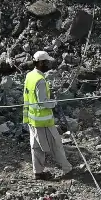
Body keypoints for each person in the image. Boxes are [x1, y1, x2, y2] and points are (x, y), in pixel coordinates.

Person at [24, 51, 70, 179]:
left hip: (32, 119)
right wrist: (54, 103)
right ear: (41, 62)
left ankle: (37, 172)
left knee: (36, 147)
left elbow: (29, 96)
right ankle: (67, 169)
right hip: (43, 121)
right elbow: (43, 102)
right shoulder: (40, 80)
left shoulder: (30, 75)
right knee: (56, 144)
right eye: (47, 62)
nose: (49, 64)